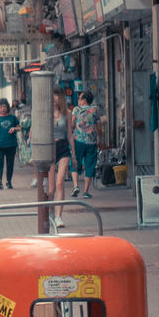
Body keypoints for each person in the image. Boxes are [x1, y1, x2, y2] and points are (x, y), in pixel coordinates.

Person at [45, 86, 74, 227]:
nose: (54, 98)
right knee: (51, 189)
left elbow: (69, 134)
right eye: (52, 95)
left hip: (63, 147)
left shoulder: (67, 113)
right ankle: (50, 211)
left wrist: (74, 154)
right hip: (50, 148)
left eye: (57, 95)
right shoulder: (45, 113)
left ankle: (58, 216)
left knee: (60, 183)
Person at [71, 88, 102, 199]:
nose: (78, 100)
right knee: (90, 165)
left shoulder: (76, 109)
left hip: (78, 141)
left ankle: (75, 186)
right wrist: (100, 139)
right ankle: (86, 191)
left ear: (84, 100)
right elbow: (99, 126)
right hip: (91, 142)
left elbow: (72, 124)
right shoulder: (95, 110)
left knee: (75, 162)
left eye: (80, 98)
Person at [0, 97, 19, 189]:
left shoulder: (12, 118)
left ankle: (9, 181)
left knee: (10, 164)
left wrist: (14, 129)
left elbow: (19, 127)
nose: (3, 109)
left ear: (7, 107)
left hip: (11, 144)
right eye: (1, 107)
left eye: (4, 107)